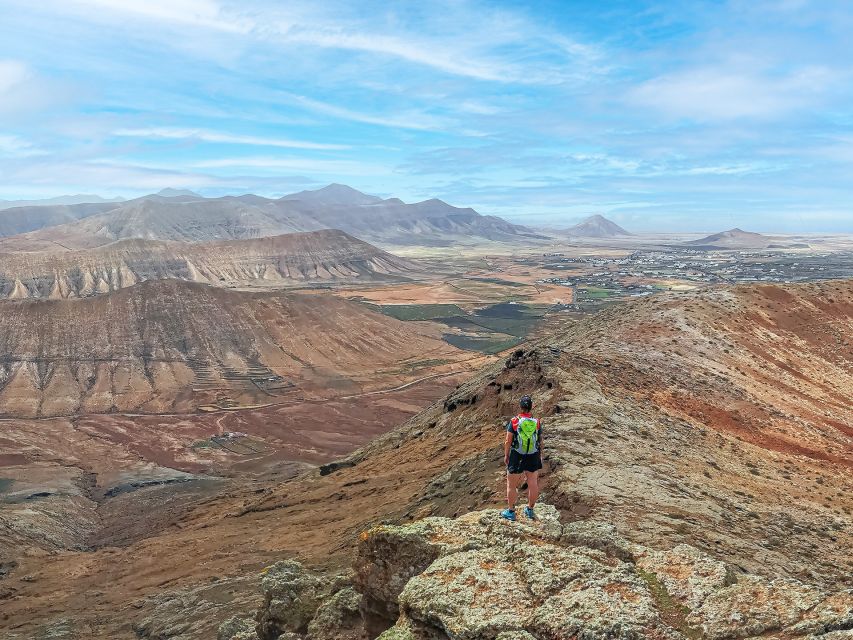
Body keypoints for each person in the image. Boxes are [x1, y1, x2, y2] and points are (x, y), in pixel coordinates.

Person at [501, 394, 542, 521]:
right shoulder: (536, 422)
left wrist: (506, 455)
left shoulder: (515, 421)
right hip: (533, 454)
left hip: (517, 455)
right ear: (531, 407)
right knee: (533, 483)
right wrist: (539, 455)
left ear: (520, 407)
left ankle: (511, 512)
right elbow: (540, 441)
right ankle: (530, 510)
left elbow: (508, 441)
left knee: (511, 484)